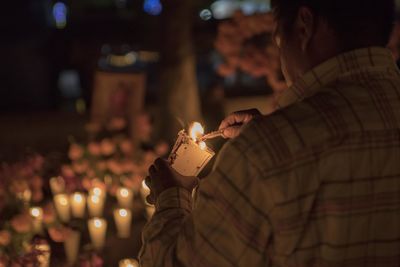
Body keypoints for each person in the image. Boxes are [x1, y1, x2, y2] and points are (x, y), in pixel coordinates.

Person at [140, 0, 400, 266]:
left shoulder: (261, 151)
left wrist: (172, 196)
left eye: (278, 41)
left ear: (304, 26)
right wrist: (277, 135)